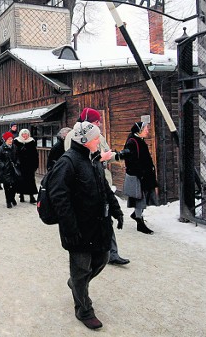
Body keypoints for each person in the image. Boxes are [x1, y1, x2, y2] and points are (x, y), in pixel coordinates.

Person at [49, 121, 124, 330]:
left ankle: (76, 284)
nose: (98, 141)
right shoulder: (68, 162)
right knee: (81, 269)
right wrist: (70, 228)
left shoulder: (94, 159)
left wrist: (116, 211)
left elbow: (105, 189)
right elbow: (58, 197)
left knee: (102, 258)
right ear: (84, 140)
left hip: (98, 225)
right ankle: (84, 309)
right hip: (78, 229)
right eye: (95, 138)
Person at [65, 107, 130, 265]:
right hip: (85, 187)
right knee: (90, 222)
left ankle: (111, 253)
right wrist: (99, 160)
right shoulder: (72, 136)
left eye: (99, 121)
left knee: (105, 218)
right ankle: (86, 261)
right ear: (86, 121)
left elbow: (105, 153)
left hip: (100, 181)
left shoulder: (97, 135)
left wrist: (118, 156)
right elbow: (77, 160)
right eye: (96, 120)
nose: (99, 123)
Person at [123, 121, 157, 234]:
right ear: (139, 131)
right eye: (146, 129)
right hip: (139, 176)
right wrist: (141, 173)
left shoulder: (139, 140)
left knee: (145, 196)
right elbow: (130, 161)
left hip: (145, 175)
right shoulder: (132, 142)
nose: (148, 130)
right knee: (139, 198)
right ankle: (139, 222)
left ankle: (137, 215)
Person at [13, 128, 39, 203]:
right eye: (23, 134)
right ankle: (21, 195)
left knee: (30, 180)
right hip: (20, 164)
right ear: (21, 135)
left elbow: (35, 154)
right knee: (21, 180)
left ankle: (31, 196)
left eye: (26, 134)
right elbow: (15, 153)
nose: (25, 136)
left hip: (29, 165)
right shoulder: (17, 141)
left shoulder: (31, 141)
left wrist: (35, 164)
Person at [0, 132, 18, 208]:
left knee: (14, 185)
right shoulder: (1, 148)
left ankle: (12, 198)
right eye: (9, 139)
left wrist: (17, 162)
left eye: (11, 139)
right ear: (5, 140)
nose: (11, 140)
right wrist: (3, 165)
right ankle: (8, 201)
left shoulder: (14, 147)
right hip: (5, 170)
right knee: (7, 186)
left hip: (14, 169)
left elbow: (17, 156)